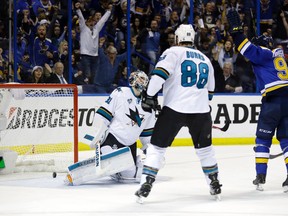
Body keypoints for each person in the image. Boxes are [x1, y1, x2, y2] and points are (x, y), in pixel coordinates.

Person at [135, 24, 222, 203]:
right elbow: (211, 93)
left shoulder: (173, 52)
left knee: (157, 148)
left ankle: (146, 184)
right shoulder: (206, 60)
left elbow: (159, 75)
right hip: (201, 111)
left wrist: (150, 95)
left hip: (175, 109)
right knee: (205, 150)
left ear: (177, 38)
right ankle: (214, 182)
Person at [227, 10, 288, 192]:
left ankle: (260, 176)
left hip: (273, 100)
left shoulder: (263, 53)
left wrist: (237, 31)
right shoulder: (279, 56)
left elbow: (244, 47)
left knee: (262, 139)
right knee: (286, 139)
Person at [65, 70, 156, 185]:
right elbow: (103, 114)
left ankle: (126, 166)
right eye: (140, 78)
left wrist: (152, 153)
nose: (142, 82)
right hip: (113, 138)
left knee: (129, 177)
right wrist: (95, 135)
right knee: (116, 164)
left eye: (144, 79)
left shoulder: (149, 107)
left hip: (130, 145)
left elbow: (146, 134)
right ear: (133, 79)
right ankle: (110, 160)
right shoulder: (121, 92)